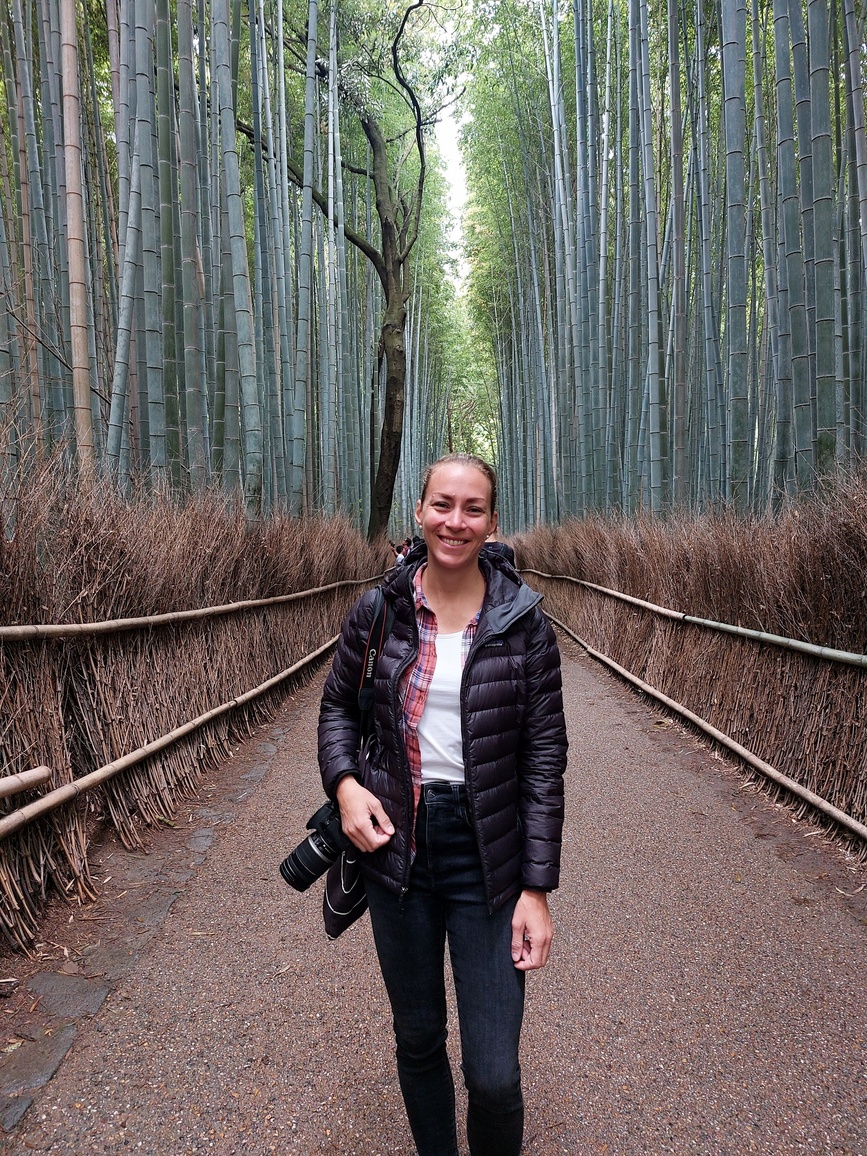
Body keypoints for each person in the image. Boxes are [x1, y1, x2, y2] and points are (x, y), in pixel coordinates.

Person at [317, 453, 568, 1156]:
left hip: (487, 853)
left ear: (491, 522)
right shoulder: (379, 611)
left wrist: (536, 890)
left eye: (472, 508)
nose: (455, 522)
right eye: (442, 505)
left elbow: (544, 761)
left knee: (494, 1075)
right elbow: (337, 708)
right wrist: (345, 786)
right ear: (420, 512)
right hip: (395, 845)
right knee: (419, 1037)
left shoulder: (524, 626)